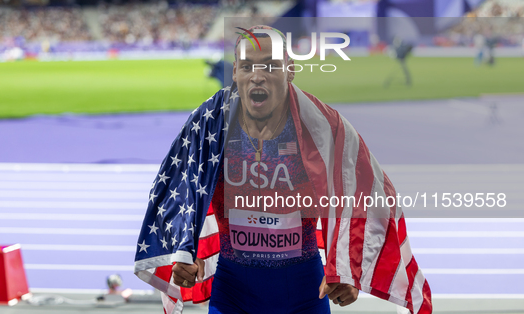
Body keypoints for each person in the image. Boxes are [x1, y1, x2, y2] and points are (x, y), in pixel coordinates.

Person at [134, 25, 432, 314]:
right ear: (235, 71)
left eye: (270, 66)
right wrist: (183, 249)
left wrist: (347, 268)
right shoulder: (210, 126)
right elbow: (180, 185)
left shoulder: (322, 129)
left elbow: (362, 192)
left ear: (290, 70)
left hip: (305, 292)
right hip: (233, 294)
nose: (258, 76)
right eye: (248, 66)